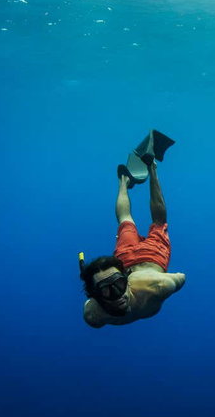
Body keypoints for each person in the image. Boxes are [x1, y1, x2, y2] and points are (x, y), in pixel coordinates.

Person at [79, 131, 186, 327]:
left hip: (144, 258)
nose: (117, 295)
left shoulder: (158, 286)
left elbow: (180, 278)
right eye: (106, 290)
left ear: (125, 279)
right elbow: (180, 278)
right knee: (131, 220)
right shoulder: (93, 315)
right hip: (130, 260)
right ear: (95, 295)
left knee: (150, 221)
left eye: (119, 285)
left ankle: (149, 168)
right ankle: (126, 179)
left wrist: (150, 278)